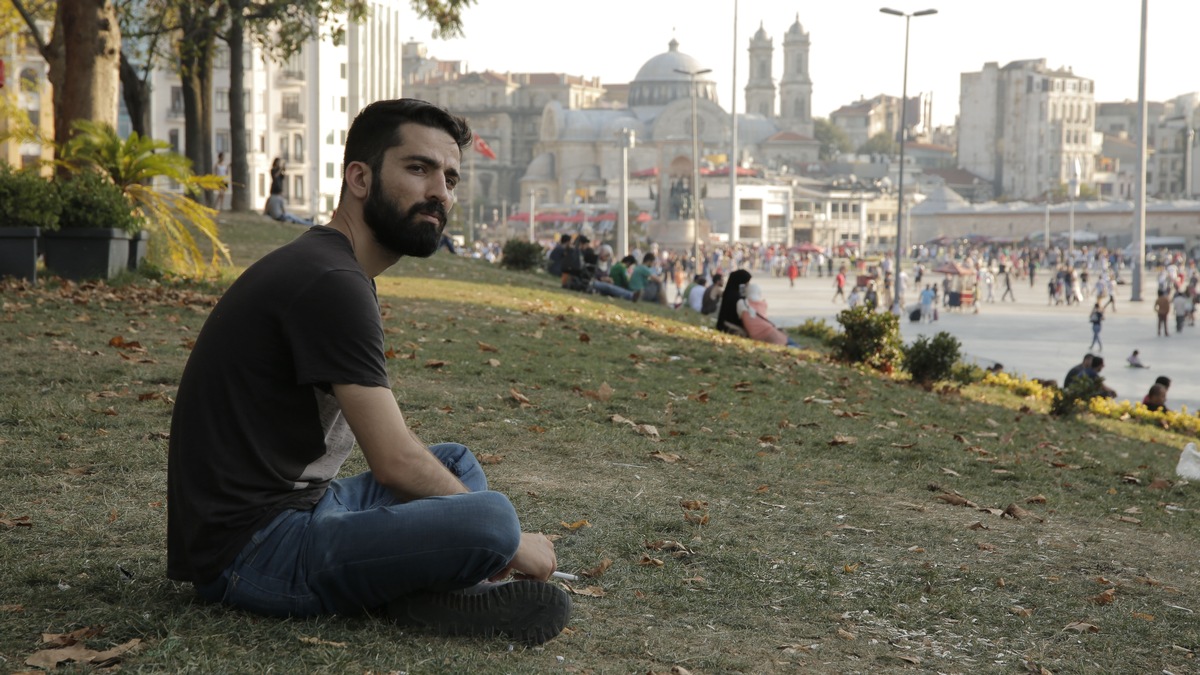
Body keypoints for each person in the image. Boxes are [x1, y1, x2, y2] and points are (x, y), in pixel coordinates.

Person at [167, 99, 570, 646]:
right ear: (359, 177)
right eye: (417, 168)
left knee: (455, 463)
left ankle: (421, 593)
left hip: (303, 508)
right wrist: (513, 543)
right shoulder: (331, 280)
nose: (440, 193)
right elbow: (393, 458)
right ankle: (424, 588)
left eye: (450, 177)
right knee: (492, 520)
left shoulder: (332, 266)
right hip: (253, 551)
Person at [716, 269, 752, 337]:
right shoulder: (734, 296)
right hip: (731, 325)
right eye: (746, 283)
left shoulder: (731, 292)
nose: (747, 285)